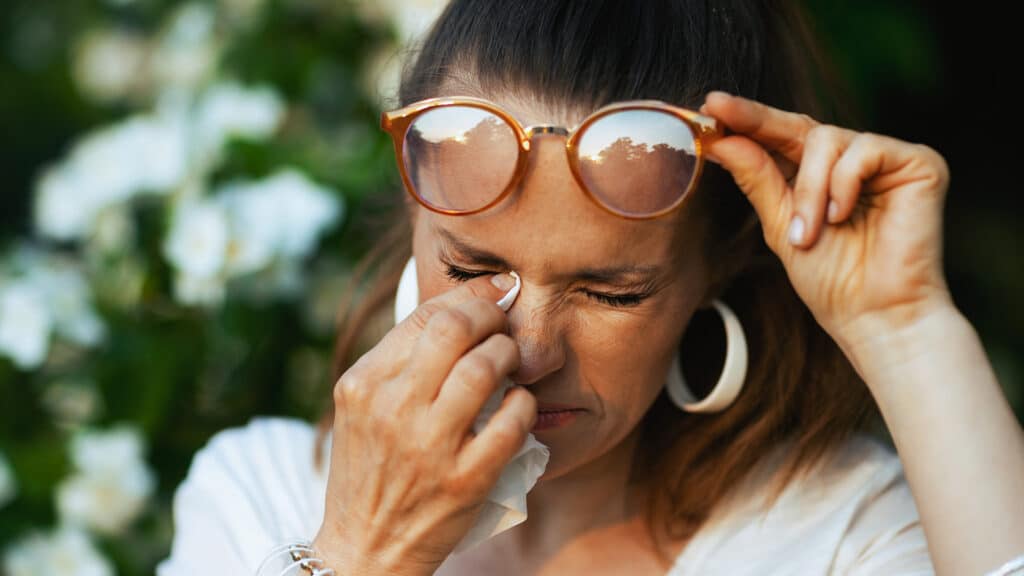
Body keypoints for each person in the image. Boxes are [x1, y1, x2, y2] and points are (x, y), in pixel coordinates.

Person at [156, 1, 1024, 575]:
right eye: (472, 269)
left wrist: (907, 329)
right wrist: (358, 555)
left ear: (716, 266)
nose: (531, 349)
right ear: (414, 217)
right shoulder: (261, 496)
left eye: (612, 292)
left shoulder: (835, 531)